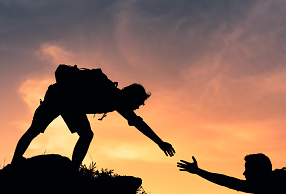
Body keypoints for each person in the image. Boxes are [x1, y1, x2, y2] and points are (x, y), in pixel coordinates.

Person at [12, 66, 175, 168]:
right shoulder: (115, 97)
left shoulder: (116, 99)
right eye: (139, 102)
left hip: (62, 99)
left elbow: (137, 122)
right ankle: (72, 170)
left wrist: (160, 142)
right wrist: (160, 143)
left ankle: (15, 162)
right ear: (131, 96)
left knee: (36, 130)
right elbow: (138, 123)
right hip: (63, 98)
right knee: (84, 134)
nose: (140, 106)